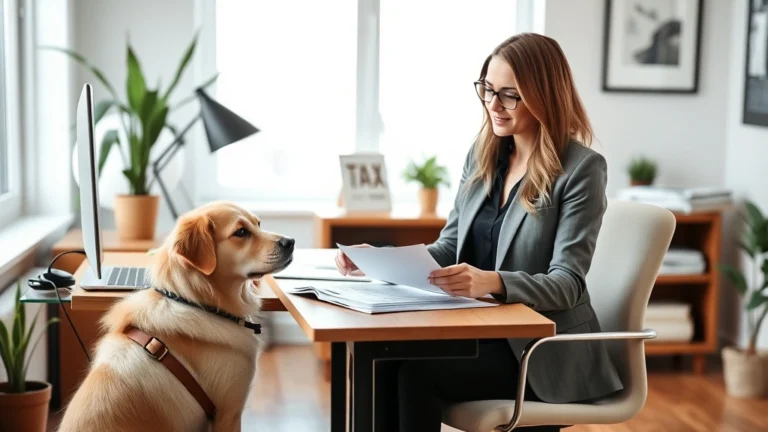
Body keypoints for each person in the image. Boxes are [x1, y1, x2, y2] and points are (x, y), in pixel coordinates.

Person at [335, 32, 623, 432]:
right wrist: (380, 257)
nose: (493, 105)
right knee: (382, 361)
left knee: (416, 375)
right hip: (482, 330)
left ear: (544, 96)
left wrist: (491, 282)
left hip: (538, 351)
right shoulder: (484, 154)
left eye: (509, 94)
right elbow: (450, 246)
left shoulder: (581, 169)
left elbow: (567, 284)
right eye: (487, 90)